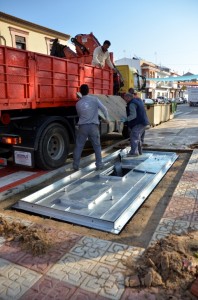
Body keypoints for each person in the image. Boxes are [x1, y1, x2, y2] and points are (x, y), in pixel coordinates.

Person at [73, 84, 109, 171]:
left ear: (80, 92)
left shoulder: (78, 103)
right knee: (97, 146)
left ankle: (75, 166)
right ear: (88, 91)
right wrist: (106, 119)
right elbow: (104, 109)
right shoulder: (94, 100)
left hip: (82, 127)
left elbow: (80, 115)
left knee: (79, 146)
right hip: (93, 127)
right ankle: (99, 165)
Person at [123, 92, 150, 156]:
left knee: (134, 137)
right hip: (144, 122)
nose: (125, 100)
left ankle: (134, 153)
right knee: (138, 138)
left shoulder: (132, 104)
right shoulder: (138, 101)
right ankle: (139, 152)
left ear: (128, 97)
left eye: (125, 98)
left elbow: (133, 115)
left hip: (138, 123)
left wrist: (126, 119)